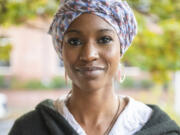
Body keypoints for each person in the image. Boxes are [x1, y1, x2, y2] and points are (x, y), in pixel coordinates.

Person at [9, 0, 180, 135]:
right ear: (61, 50)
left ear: (121, 48)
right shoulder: (29, 128)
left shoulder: (155, 128)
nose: (89, 54)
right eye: (74, 41)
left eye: (104, 39)